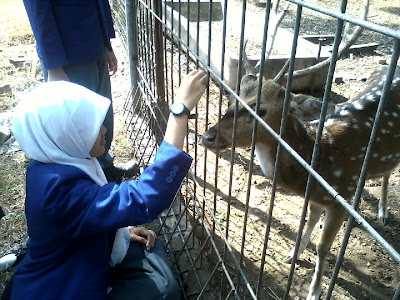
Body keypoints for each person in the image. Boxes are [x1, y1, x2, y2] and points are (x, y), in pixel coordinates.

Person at [4, 69, 207, 300]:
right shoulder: (57, 190)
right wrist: (179, 112)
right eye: (87, 126)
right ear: (63, 134)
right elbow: (145, 197)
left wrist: (120, 231)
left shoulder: (53, 164)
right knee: (163, 290)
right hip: (65, 286)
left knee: (152, 257)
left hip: (81, 254)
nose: (103, 129)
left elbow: (86, 213)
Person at [22, 0, 137, 183]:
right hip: (68, 55)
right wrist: (53, 65)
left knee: (101, 115)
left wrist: (105, 43)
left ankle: (104, 168)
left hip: (94, 41)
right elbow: (38, 10)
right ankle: (81, 181)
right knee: (76, 125)